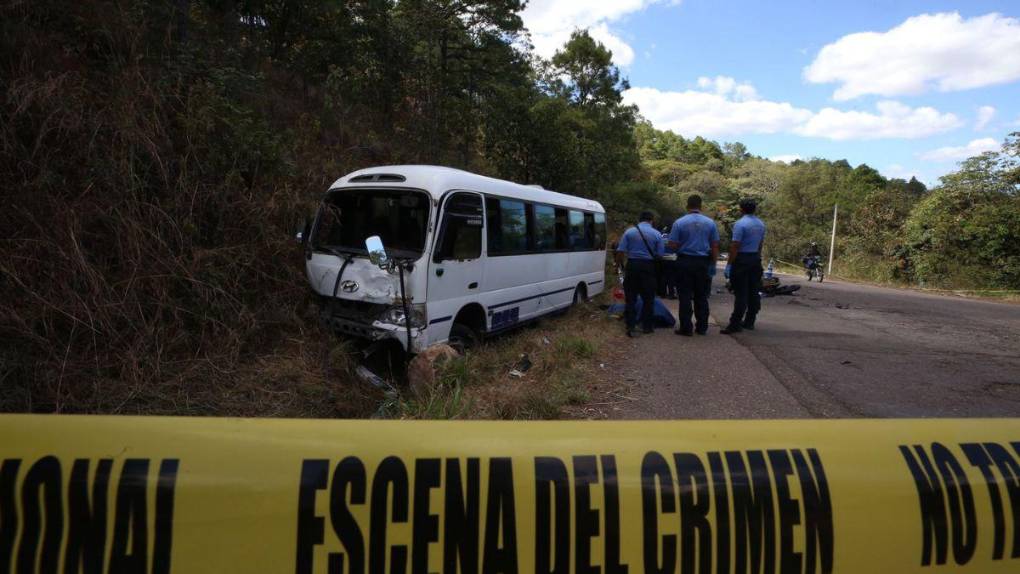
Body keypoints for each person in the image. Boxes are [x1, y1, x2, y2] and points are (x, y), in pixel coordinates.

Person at [668, 195, 720, 336]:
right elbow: (714, 246)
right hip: (703, 263)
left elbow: (672, 245)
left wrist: (679, 246)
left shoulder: (679, 222)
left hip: (684, 261)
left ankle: (686, 327)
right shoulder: (710, 223)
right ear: (700, 206)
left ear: (687, 206)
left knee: (684, 295)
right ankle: (702, 327)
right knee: (701, 295)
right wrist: (713, 264)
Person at [615, 211, 664, 337]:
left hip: (632, 265)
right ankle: (647, 326)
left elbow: (620, 251)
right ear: (651, 220)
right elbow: (660, 255)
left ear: (639, 219)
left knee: (630, 297)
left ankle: (630, 325)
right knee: (648, 298)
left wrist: (618, 266)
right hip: (648, 267)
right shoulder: (657, 234)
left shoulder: (629, 232)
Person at [722, 199, 766, 334]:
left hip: (742, 259)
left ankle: (735, 324)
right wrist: (758, 258)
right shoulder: (761, 224)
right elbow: (760, 244)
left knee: (741, 293)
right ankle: (750, 321)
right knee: (753, 292)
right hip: (755, 259)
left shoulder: (740, 224)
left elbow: (735, 246)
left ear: (741, 209)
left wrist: (729, 264)